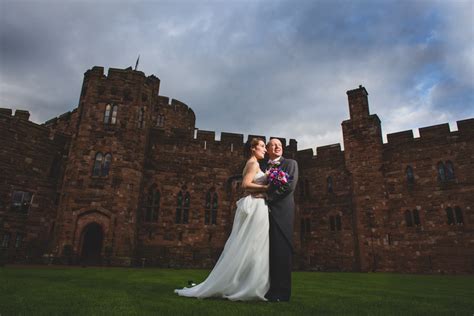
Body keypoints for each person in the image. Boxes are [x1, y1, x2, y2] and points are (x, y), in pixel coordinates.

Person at [175, 138, 270, 301]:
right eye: (262, 146)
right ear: (252, 149)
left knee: (254, 245)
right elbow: (245, 185)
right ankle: (247, 286)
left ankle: (249, 283)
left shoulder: (255, 164)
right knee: (251, 244)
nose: (265, 149)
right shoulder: (253, 164)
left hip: (259, 205)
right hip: (255, 206)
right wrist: (268, 187)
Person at [264, 138, 298, 302]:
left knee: (281, 251)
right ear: (267, 149)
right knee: (267, 253)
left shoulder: (290, 163)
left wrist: (268, 199)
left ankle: (282, 294)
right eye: (273, 145)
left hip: (281, 212)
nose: (277, 147)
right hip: (264, 214)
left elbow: (288, 186)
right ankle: (268, 290)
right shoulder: (265, 167)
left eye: (280, 145)